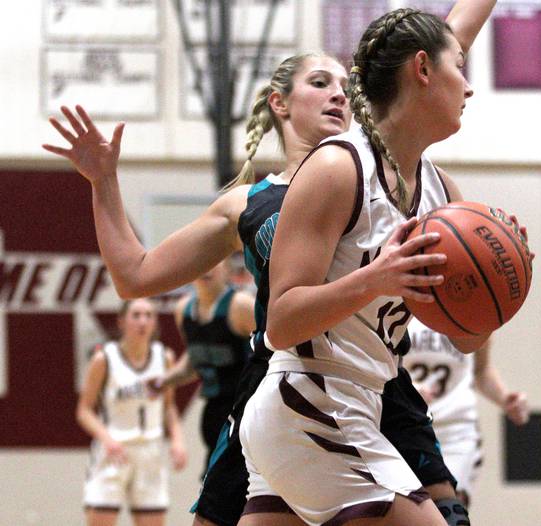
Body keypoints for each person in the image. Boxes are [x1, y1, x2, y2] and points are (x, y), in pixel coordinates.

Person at [43, 4, 496, 524]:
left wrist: (496, 286)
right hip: (299, 383)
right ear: (279, 103)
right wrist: (104, 184)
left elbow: (443, 46)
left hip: (373, 382)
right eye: (319, 82)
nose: (336, 94)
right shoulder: (283, 189)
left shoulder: (408, 173)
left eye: (343, 86)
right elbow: (138, 276)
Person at [238, 6, 531, 525]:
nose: (468, 87)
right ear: (422, 69)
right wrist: (376, 278)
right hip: (312, 401)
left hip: (350, 404)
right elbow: (281, 322)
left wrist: (504, 282)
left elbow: (465, 340)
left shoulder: (440, 195)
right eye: (458, 67)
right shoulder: (336, 167)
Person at [76, 298, 188, 526]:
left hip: (150, 451)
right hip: (114, 451)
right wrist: (107, 439)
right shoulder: (104, 359)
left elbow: (169, 407)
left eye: (148, 315)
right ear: (121, 322)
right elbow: (84, 410)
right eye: (136, 315)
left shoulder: (164, 357)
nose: (143, 321)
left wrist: (177, 440)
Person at [403, 317, 531, 506]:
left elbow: (481, 370)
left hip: (456, 431)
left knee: (448, 509)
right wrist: (407, 389)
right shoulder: (401, 306)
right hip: (406, 428)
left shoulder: (471, 306)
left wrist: (505, 398)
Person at [148, 260, 255, 471]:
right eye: (201, 262)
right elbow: (195, 360)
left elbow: (278, 346)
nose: (205, 267)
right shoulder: (184, 311)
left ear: (227, 269)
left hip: (247, 409)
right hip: (214, 409)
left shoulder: (241, 306)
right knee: (212, 483)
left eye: (214, 261)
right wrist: (166, 380)